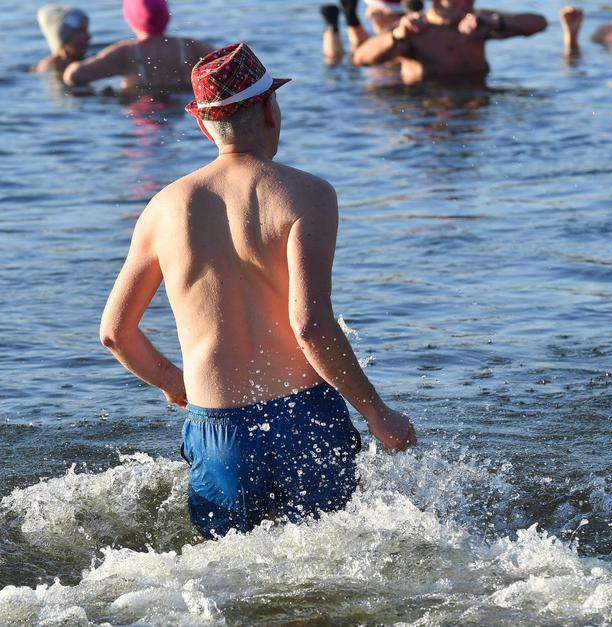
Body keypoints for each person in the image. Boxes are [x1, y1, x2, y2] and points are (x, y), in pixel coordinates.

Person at [99, 43, 416, 539]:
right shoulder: (306, 194)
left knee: (232, 580)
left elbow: (116, 333)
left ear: (204, 125)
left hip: (219, 429)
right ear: (271, 109)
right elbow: (310, 325)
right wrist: (377, 412)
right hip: (306, 418)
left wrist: (174, 384)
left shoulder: (163, 208)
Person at [352, 0, 548, 83]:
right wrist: (397, 36)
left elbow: (539, 23)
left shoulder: (479, 22)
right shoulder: (414, 29)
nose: (467, 3)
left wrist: (497, 22)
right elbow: (361, 58)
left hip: (476, 107)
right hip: (427, 112)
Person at [62, 0, 214, 93]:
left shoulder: (125, 52)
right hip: (180, 109)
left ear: (130, 17)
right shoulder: (190, 47)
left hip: (142, 107)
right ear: (166, 15)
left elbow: (73, 75)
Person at [321, 0, 409, 63]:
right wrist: (350, 19)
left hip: (388, 85)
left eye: (374, 12)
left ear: (389, 12)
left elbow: (358, 57)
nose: (367, 15)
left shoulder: (404, 37)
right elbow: (363, 47)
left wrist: (351, 19)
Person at [33, 5, 90, 74]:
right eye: (80, 31)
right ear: (63, 38)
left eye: (86, 30)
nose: (88, 36)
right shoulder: (50, 68)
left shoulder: (84, 60)